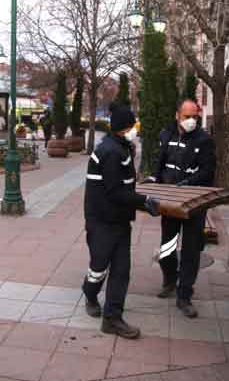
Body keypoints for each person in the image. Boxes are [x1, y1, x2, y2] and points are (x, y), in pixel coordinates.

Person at [83, 103, 161, 339]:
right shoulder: (111, 152)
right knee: (99, 267)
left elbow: (124, 185)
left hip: (118, 220)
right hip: (102, 221)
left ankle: (112, 319)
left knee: (121, 270)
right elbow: (115, 192)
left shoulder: (121, 146)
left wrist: (141, 191)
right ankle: (89, 293)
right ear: (120, 128)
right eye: (131, 126)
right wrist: (144, 201)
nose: (134, 129)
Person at [143, 100, 216, 318]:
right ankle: (169, 280)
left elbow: (208, 172)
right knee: (167, 245)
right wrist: (153, 177)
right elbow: (161, 161)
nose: (192, 120)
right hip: (170, 203)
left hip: (193, 204)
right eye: (187, 116)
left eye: (195, 116)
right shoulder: (167, 134)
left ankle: (184, 296)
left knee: (191, 250)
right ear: (178, 116)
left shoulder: (204, 140)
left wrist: (189, 183)